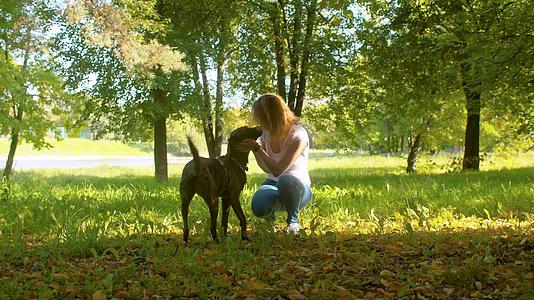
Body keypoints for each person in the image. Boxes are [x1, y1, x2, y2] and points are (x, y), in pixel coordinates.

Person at [235, 93, 312, 234]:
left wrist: (257, 148)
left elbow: (278, 170)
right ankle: (269, 221)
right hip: (272, 184)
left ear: (273, 116)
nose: (260, 123)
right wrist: (255, 149)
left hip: (298, 189)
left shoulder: (298, 135)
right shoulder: (266, 134)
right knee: (258, 206)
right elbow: (267, 168)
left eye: (262, 119)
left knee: (286, 180)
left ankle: (293, 222)